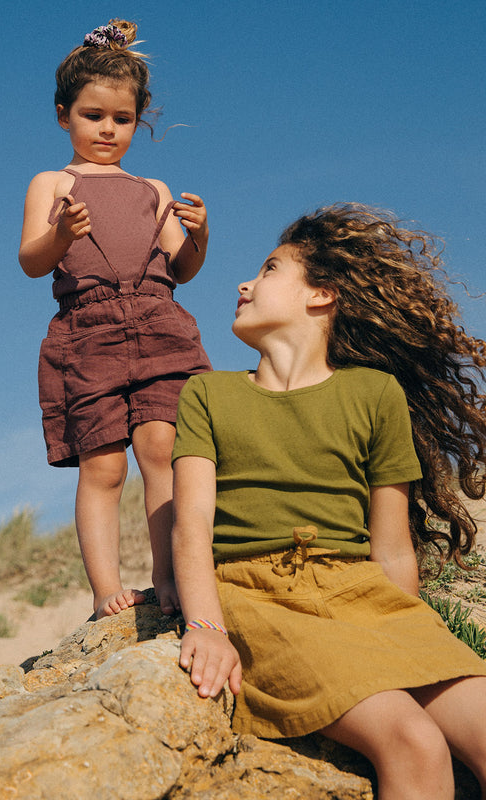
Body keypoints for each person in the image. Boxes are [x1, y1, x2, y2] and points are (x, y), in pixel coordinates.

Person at [171, 203, 486, 799]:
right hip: (257, 594)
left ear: (323, 296)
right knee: (413, 740)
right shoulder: (206, 394)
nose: (244, 283)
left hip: (362, 596)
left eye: (268, 269)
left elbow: (392, 552)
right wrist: (207, 625)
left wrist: (403, 642)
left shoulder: (374, 393)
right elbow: (190, 529)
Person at [19, 20, 211, 620]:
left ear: (139, 120)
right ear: (63, 117)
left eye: (121, 119)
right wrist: (61, 232)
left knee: (163, 446)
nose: (107, 130)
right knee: (103, 463)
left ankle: (170, 573)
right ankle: (106, 589)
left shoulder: (153, 188)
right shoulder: (52, 182)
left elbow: (183, 268)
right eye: (92, 115)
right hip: (88, 329)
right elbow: (31, 261)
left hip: (160, 321)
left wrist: (201, 233)